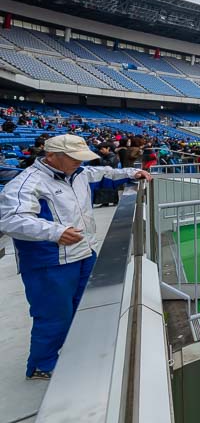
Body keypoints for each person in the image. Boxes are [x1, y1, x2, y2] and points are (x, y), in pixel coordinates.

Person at [0, 135, 152, 380]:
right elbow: (12, 220)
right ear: (51, 157)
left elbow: (101, 173)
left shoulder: (77, 172)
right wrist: (55, 232)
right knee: (53, 314)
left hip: (82, 252)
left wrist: (131, 175)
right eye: (73, 158)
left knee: (84, 306)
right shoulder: (26, 183)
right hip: (48, 261)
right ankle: (42, 364)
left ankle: (74, 351)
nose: (79, 163)